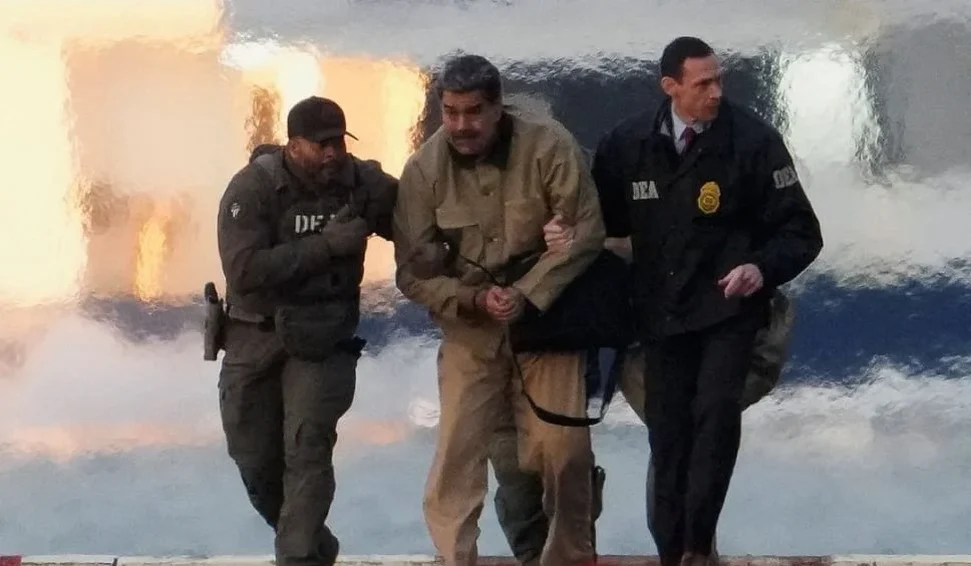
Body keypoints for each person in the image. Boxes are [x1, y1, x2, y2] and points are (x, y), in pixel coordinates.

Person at [591, 36, 823, 566]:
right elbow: (599, 219)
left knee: (715, 417)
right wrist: (565, 231)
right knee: (669, 433)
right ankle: (673, 552)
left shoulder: (754, 142)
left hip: (728, 309)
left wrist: (759, 268)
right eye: (703, 84)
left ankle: (698, 546)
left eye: (720, 80)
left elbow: (802, 232)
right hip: (661, 313)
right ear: (670, 87)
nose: (716, 92)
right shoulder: (628, 143)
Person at [392, 53, 606, 566]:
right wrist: (473, 299)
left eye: (473, 112)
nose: (461, 125)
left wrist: (527, 292)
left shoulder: (548, 145)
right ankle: (454, 559)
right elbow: (412, 275)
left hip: (548, 327)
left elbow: (586, 232)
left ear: (497, 108)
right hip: (470, 334)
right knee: (456, 457)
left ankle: (570, 557)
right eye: (450, 112)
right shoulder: (423, 171)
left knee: (564, 450)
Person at [488, 232, 795, 566]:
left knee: (682, 437)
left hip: (666, 325)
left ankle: (687, 555)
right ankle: (541, 554)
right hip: (545, 316)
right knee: (519, 450)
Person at [215, 96, 397, 566]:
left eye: (338, 141)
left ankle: (296, 558)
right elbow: (244, 272)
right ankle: (314, 546)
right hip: (254, 335)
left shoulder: (361, 184)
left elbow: (419, 218)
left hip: (322, 338)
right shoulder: (253, 189)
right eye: (320, 144)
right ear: (293, 145)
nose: (332, 152)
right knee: (253, 458)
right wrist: (325, 247)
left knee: (307, 447)